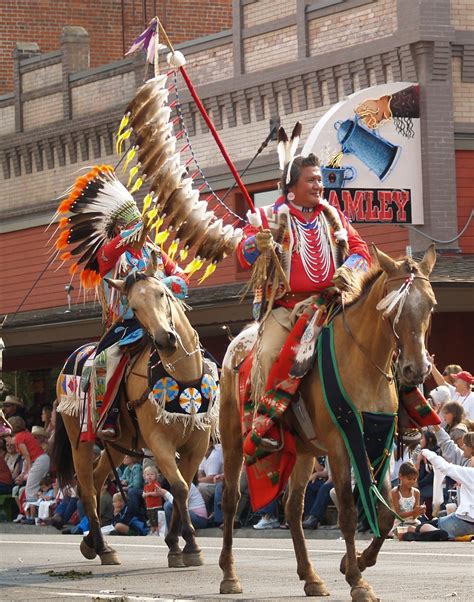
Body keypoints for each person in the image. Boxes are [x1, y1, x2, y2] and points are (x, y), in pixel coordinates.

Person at [237, 148, 370, 452]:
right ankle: (265, 422)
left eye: (320, 179)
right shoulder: (267, 217)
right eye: (311, 180)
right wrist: (255, 243)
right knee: (269, 353)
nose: (318, 185)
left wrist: (347, 271)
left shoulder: (333, 215)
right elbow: (242, 258)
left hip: (333, 302)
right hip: (285, 308)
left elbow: (362, 251)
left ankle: (397, 408)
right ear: (292, 187)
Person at [54, 165, 189, 440]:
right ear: (119, 229)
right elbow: (109, 251)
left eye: (141, 224)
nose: (143, 230)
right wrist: (128, 235)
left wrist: (159, 286)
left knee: (197, 352)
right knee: (105, 358)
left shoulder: (155, 253)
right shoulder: (111, 256)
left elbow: (183, 281)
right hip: (127, 325)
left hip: (162, 319)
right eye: (133, 225)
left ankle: (201, 407)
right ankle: (109, 414)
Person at [422, 448, 474, 539]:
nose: (470, 460)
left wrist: (426, 452)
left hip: (463, 520)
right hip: (465, 519)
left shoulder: (470, 473)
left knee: (421, 527)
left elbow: (446, 467)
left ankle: (443, 534)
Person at [7, 416, 50, 509]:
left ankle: (33, 513)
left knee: (30, 488)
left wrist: (29, 469)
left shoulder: (19, 437)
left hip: (38, 461)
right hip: (42, 459)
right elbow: (11, 440)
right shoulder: (24, 433)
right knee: (35, 487)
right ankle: (36, 512)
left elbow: (26, 455)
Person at [390, 462, 426, 534]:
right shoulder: (395, 492)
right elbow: (398, 515)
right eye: (409, 479)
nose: (412, 481)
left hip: (414, 523)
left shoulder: (416, 492)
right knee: (410, 530)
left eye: (414, 479)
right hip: (400, 525)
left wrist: (420, 511)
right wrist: (413, 512)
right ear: (400, 476)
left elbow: (415, 516)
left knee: (424, 527)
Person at [302, 458, 334, 530]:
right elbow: (327, 472)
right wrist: (316, 474)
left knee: (325, 488)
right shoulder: (328, 455)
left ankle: (315, 518)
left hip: (339, 482)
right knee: (309, 486)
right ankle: (308, 516)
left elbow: (334, 476)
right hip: (329, 480)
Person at [142, 466, 172, 535]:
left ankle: (157, 531)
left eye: (152, 474)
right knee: (151, 520)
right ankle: (152, 531)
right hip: (149, 506)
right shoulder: (146, 486)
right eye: (148, 474)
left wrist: (148, 494)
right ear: (144, 476)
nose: (150, 476)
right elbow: (143, 495)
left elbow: (157, 493)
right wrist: (145, 494)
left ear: (156, 476)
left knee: (156, 520)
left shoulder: (156, 484)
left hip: (156, 506)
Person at [197, 443, 224, 510]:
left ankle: (202, 511)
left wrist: (196, 481)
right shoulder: (204, 454)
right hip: (211, 482)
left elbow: (212, 478)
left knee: (201, 488)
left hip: (218, 482)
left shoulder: (214, 456)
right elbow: (200, 472)